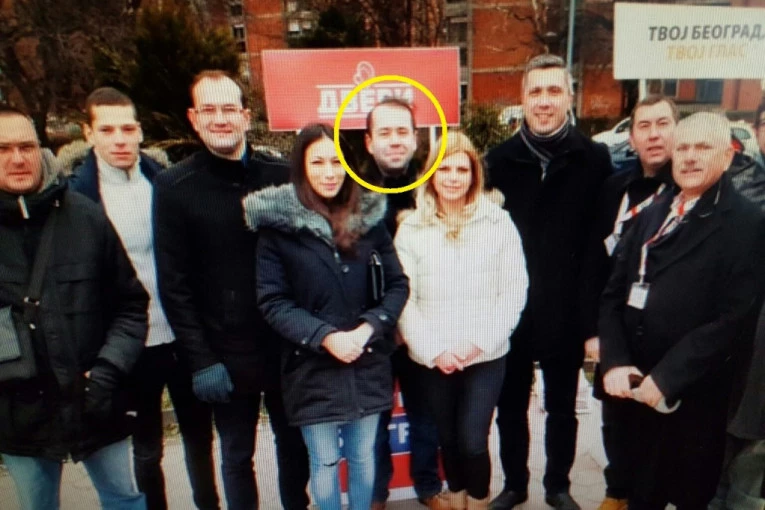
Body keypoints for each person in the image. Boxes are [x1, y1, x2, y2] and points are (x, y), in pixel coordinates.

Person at [153, 70, 309, 510]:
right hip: (224, 352)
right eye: (209, 110)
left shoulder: (282, 175)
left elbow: (307, 257)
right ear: (193, 118)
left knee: (293, 445)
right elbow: (174, 285)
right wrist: (201, 360)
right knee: (237, 455)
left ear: (245, 116)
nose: (219, 119)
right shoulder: (174, 187)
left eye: (228, 109)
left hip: (284, 344)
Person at [599, 112, 765, 510]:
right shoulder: (653, 212)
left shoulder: (747, 223)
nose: (690, 157)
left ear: (727, 156)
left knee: (689, 494)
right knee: (639, 493)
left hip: (693, 398)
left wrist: (668, 377)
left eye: (703, 147)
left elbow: (733, 317)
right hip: (636, 390)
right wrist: (615, 361)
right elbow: (613, 294)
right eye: (684, 147)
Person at [242, 123, 410, 510]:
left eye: (337, 162)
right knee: (325, 461)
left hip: (367, 360)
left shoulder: (368, 218)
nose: (330, 172)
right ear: (301, 167)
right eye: (318, 162)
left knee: (364, 456)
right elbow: (273, 301)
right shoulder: (278, 227)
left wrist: (369, 328)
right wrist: (326, 337)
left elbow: (397, 284)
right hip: (311, 367)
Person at [68, 87, 218, 510]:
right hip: (130, 343)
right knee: (147, 446)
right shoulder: (78, 198)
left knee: (199, 438)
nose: (120, 139)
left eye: (128, 128)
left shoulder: (164, 181)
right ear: (88, 133)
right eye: (107, 130)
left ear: (139, 131)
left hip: (182, 333)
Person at [0, 107, 149, 509]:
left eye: (26, 146)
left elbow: (131, 305)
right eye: (3, 149)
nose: (17, 158)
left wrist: (107, 371)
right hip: (18, 413)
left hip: (96, 401)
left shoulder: (85, 217)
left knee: (125, 500)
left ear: (41, 149)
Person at [485, 54, 612, 510]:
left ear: (569, 97)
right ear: (522, 99)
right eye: (535, 91)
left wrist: (591, 321)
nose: (544, 101)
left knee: (562, 406)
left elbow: (599, 245)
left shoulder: (594, 159)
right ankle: (515, 484)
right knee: (510, 405)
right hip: (512, 309)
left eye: (554, 91)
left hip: (567, 307)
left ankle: (558, 485)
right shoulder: (498, 161)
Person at [394, 131, 528, 510]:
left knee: (472, 439)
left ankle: (479, 502)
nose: (453, 178)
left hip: (484, 355)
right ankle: (457, 500)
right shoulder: (411, 228)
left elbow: (514, 290)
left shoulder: (498, 223)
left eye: (461, 169)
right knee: (447, 439)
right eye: (444, 169)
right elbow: (404, 297)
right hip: (434, 358)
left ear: (474, 175)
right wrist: (434, 350)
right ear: (430, 174)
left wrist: (478, 343)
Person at [580, 94, 677, 510]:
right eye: (644, 126)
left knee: (658, 425)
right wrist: (592, 331)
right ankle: (616, 490)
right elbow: (592, 262)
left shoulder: (689, 188)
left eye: (662, 123)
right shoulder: (614, 188)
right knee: (614, 416)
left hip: (668, 331)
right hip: (616, 326)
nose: (654, 134)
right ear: (632, 137)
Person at [364, 98, 445, 510]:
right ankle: (376, 493)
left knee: (425, 414)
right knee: (376, 417)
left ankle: (428, 486)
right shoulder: (352, 193)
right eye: (385, 132)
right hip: (374, 328)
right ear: (369, 141)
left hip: (424, 325)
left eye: (402, 132)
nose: (394, 141)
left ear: (415, 139)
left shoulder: (434, 190)